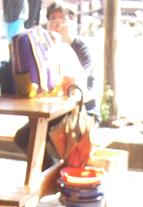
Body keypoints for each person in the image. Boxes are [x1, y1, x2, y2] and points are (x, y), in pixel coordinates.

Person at [13, 1, 97, 170]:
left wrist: (64, 44)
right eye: (53, 19)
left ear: (72, 23)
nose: (57, 23)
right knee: (24, 137)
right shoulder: (44, 47)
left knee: (35, 134)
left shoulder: (79, 47)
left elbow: (80, 81)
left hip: (81, 111)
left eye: (63, 19)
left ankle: (56, 174)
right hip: (54, 111)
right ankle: (49, 171)